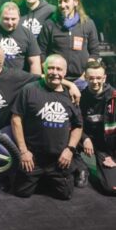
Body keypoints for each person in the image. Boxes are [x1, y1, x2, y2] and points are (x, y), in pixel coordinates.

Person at [10, 55, 83, 200]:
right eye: (51, 68)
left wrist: (70, 150)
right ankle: (39, 177)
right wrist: (23, 151)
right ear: (44, 69)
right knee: (22, 192)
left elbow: (78, 126)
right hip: (33, 156)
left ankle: (71, 169)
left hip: (59, 158)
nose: (55, 72)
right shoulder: (29, 89)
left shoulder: (71, 96)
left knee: (65, 195)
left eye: (59, 69)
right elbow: (16, 119)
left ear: (65, 72)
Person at [38, 0, 100, 84]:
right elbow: (41, 52)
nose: (62, 5)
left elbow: (94, 52)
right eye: (60, 2)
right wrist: (49, 72)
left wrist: (85, 75)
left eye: (66, 1)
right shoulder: (49, 24)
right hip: (57, 79)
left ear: (76, 2)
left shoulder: (87, 23)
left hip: (82, 79)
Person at [79, 61, 116, 194]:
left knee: (110, 187)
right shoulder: (79, 97)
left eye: (98, 78)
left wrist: (114, 157)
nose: (95, 81)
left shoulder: (114, 96)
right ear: (85, 78)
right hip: (83, 140)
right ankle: (80, 168)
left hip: (106, 146)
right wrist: (85, 138)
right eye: (91, 78)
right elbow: (74, 124)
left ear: (104, 78)